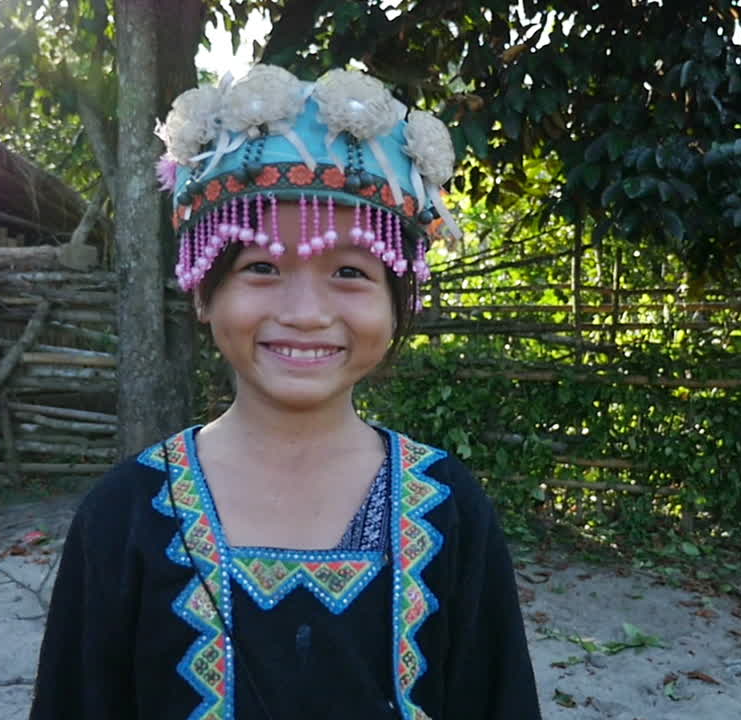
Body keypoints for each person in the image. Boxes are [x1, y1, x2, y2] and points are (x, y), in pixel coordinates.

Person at [29, 64, 541, 720]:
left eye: (350, 271)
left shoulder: (449, 511)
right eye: (262, 267)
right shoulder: (122, 516)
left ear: (398, 303)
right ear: (203, 292)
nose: (305, 311)